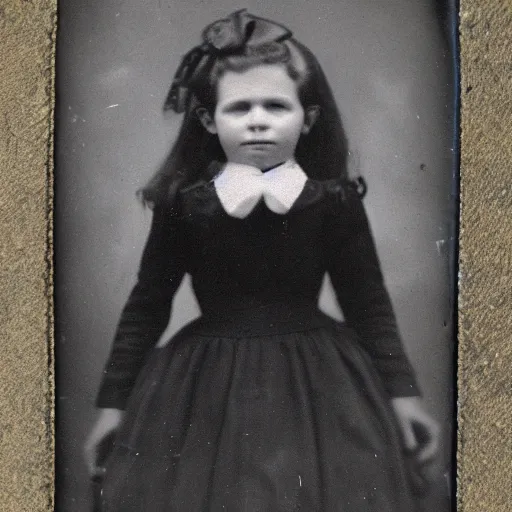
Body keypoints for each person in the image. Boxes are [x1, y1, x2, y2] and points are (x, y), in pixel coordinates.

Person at [84, 9, 441, 511]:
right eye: (239, 107)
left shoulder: (333, 202)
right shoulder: (184, 204)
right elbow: (148, 304)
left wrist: (404, 396)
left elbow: (368, 302)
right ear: (208, 119)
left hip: (319, 380)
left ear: (307, 118)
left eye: (276, 105)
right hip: (204, 384)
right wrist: (113, 405)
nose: (257, 119)